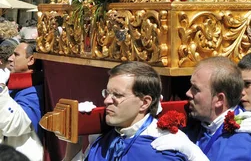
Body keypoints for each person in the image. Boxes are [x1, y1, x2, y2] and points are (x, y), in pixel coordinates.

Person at [68, 61, 198, 161]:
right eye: (107, 93)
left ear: (144, 103)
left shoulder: (166, 145)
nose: (107, 100)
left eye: (117, 95)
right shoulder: (102, 139)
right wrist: (76, 132)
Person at [180, 56, 251, 161]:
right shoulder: (196, 123)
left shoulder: (242, 145)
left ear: (219, 100)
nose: (188, 93)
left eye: (195, 89)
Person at [0, 42, 43, 161]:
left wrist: (0, 88)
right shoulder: (11, 85)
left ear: (31, 60)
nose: (10, 58)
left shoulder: (35, 91)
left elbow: (14, 125)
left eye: (16, 55)